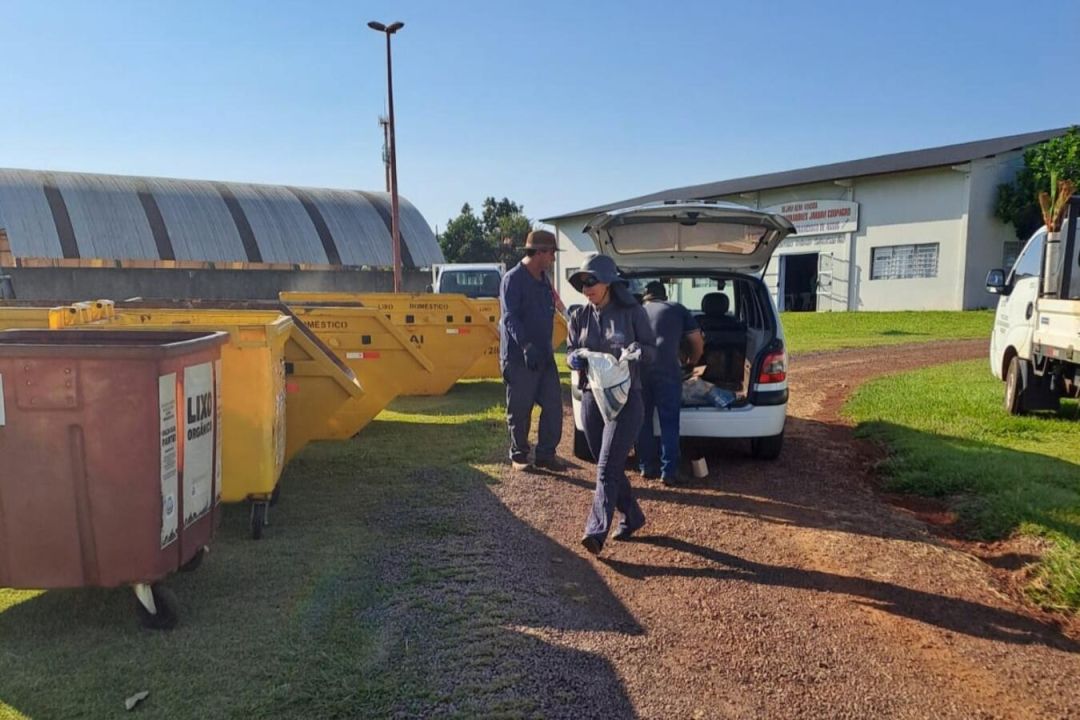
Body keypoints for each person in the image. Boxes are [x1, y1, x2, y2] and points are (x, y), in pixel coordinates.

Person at [566, 255, 656, 555]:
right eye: (582, 282)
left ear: (608, 282)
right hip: (593, 396)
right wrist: (572, 358)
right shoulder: (579, 315)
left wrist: (638, 350)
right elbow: (569, 350)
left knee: (606, 467)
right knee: (607, 464)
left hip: (627, 399)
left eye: (591, 281)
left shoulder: (633, 312)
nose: (586, 287)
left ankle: (595, 531)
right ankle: (633, 516)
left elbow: (653, 352)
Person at [499, 229, 565, 472]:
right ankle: (519, 455)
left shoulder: (543, 279)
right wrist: (526, 346)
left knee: (553, 405)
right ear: (539, 253)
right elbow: (510, 318)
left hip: (544, 356)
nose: (554, 259)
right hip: (519, 358)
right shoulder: (513, 279)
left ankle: (546, 454)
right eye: (551, 254)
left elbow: (555, 306)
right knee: (520, 407)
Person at [635, 281, 704, 485]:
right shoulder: (677, 309)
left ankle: (646, 467)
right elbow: (696, 340)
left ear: (645, 297)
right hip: (667, 370)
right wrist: (694, 360)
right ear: (664, 296)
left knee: (643, 419)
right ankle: (669, 471)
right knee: (669, 421)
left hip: (639, 370)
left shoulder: (636, 311)